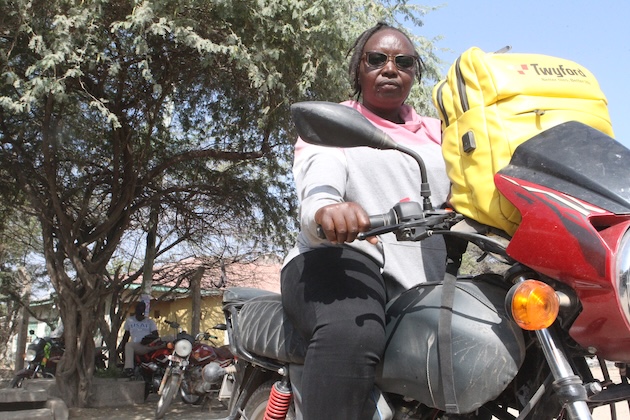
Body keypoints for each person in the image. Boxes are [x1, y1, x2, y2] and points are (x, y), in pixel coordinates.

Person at [280, 22, 451, 419]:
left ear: (414, 73)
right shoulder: (336, 124)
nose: (390, 68)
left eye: (403, 62)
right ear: (359, 69)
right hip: (338, 260)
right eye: (377, 59)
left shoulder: (440, 134)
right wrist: (326, 210)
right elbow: (318, 180)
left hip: (426, 280)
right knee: (351, 332)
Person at [117, 301, 160, 377]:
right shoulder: (130, 320)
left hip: (149, 344)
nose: (140, 310)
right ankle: (129, 369)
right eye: (139, 308)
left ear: (144, 310)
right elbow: (126, 335)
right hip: (138, 346)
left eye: (142, 308)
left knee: (168, 339)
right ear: (135, 309)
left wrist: (148, 339)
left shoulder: (150, 322)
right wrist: (122, 348)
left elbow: (156, 335)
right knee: (129, 345)